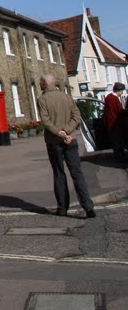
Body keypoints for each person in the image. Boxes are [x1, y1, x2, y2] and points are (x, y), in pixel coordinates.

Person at [38, 74, 95, 218]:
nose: (39, 84)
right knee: (77, 173)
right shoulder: (66, 97)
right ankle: (88, 207)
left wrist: (59, 133)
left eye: (40, 82)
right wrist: (67, 131)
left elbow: (46, 121)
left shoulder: (42, 99)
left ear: (45, 84)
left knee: (59, 174)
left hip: (54, 141)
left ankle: (62, 208)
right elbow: (76, 116)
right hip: (70, 140)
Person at [103, 82, 127, 161]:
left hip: (109, 123)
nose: (122, 93)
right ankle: (120, 158)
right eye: (122, 91)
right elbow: (119, 111)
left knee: (114, 141)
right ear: (119, 90)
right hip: (115, 123)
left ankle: (117, 156)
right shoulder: (115, 99)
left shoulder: (108, 97)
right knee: (119, 141)